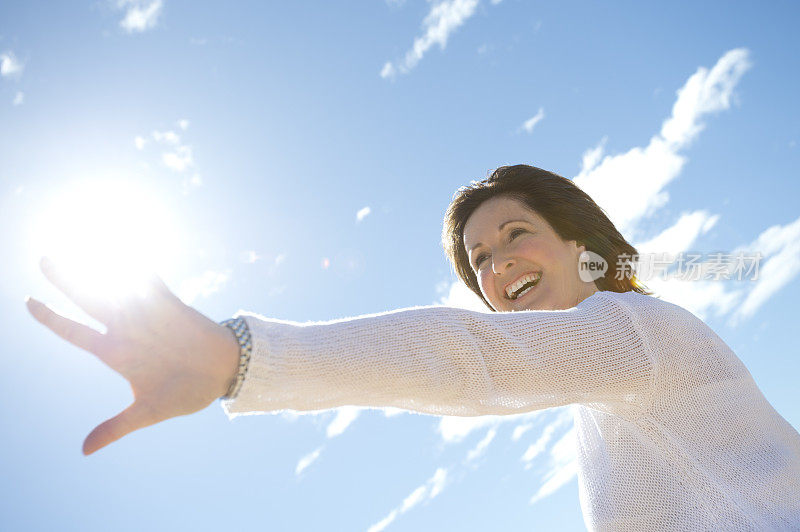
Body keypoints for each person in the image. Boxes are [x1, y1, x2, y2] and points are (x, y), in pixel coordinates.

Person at [26, 165, 800, 530]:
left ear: (576, 240)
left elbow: (473, 359)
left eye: (514, 235)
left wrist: (240, 360)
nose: (497, 267)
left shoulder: (635, 331)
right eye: (480, 261)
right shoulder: (606, 396)